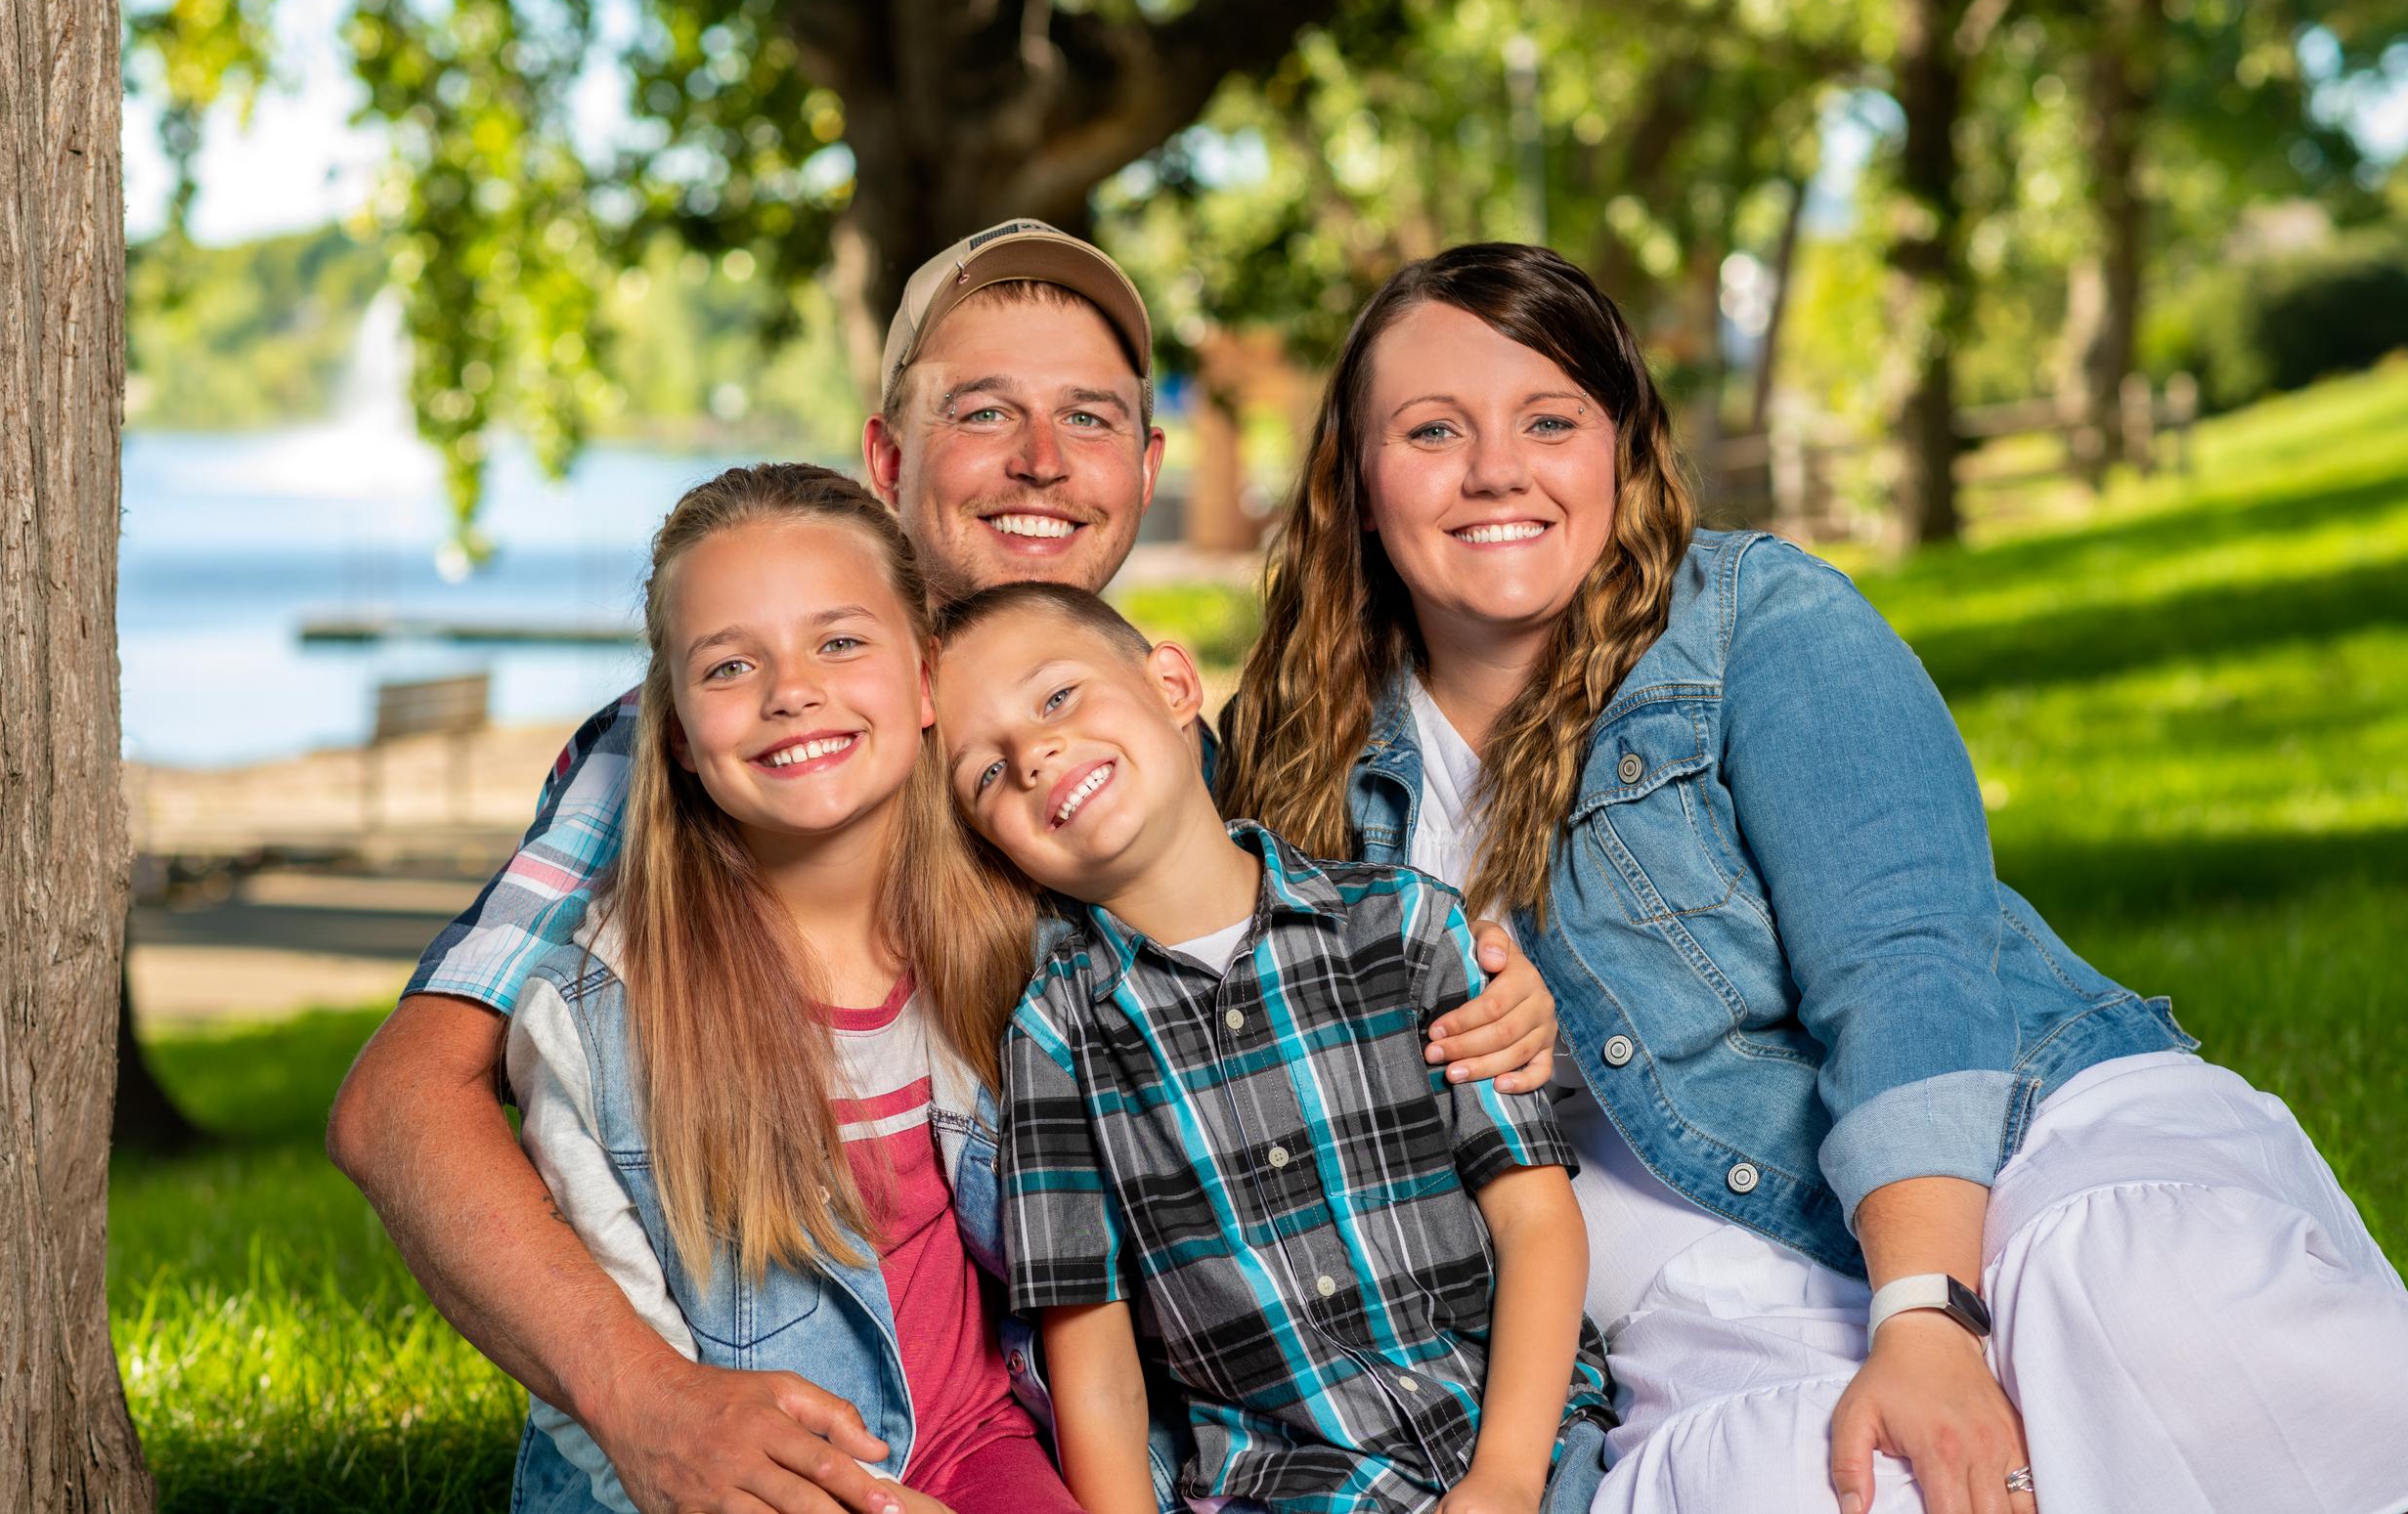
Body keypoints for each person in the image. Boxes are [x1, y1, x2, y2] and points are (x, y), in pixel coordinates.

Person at [327, 222, 1563, 1514]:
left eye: (1088, 417)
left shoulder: (1161, 754)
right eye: (985, 410)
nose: (1041, 457)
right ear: (888, 455)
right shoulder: (706, 756)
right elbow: (401, 1104)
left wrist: (1484, 998)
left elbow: (1312, 1007)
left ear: (1145, 469)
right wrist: (650, 1399)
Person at [1215, 241, 2408, 1514]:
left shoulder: (1746, 620)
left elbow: (1903, 954)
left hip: (2014, 1132)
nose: (1497, 466)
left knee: (2143, 1300)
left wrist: (1929, 1313)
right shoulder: (1289, 770)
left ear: (1619, 448)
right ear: (1354, 475)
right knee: (1804, 1477)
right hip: (1692, 1264)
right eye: (1433, 428)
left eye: (1550, 419)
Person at [929, 583, 1615, 1514]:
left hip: (1530, 1442)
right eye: (986, 773)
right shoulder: (1054, 1037)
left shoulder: (1406, 927)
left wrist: (1500, 1480)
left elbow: (1535, 1221)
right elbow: (1092, 1354)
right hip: (1294, 1487)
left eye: (1057, 698)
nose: (1034, 755)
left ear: (1172, 683)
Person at [507, 463, 1057, 1513]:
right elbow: (624, 1410)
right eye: (727, 667)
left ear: (927, 676)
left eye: (840, 641)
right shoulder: (595, 1018)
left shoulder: (1015, 940)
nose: (790, 690)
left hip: (981, 1439)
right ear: (674, 732)